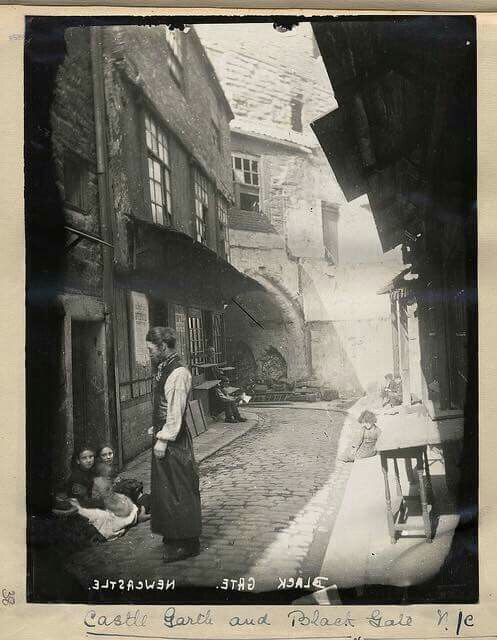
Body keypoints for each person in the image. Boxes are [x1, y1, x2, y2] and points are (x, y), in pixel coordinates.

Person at [146, 326, 202, 563]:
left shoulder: (178, 372)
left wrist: (163, 437)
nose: (149, 354)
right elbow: (164, 406)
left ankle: (187, 543)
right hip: (166, 437)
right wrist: (157, 428)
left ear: (164, 347)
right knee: (166, 492)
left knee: (179, 490)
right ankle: (173, 538)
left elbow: (176, 411)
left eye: (151, 349)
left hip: (174, 443)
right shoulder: (164, 368)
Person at [96, 443, 151, 514]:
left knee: (133, 486)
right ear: (99, 457)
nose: (108, 457)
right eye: (104, 455)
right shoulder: (99, 469)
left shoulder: (109, 467)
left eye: (110, 454)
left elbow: (115, 478)